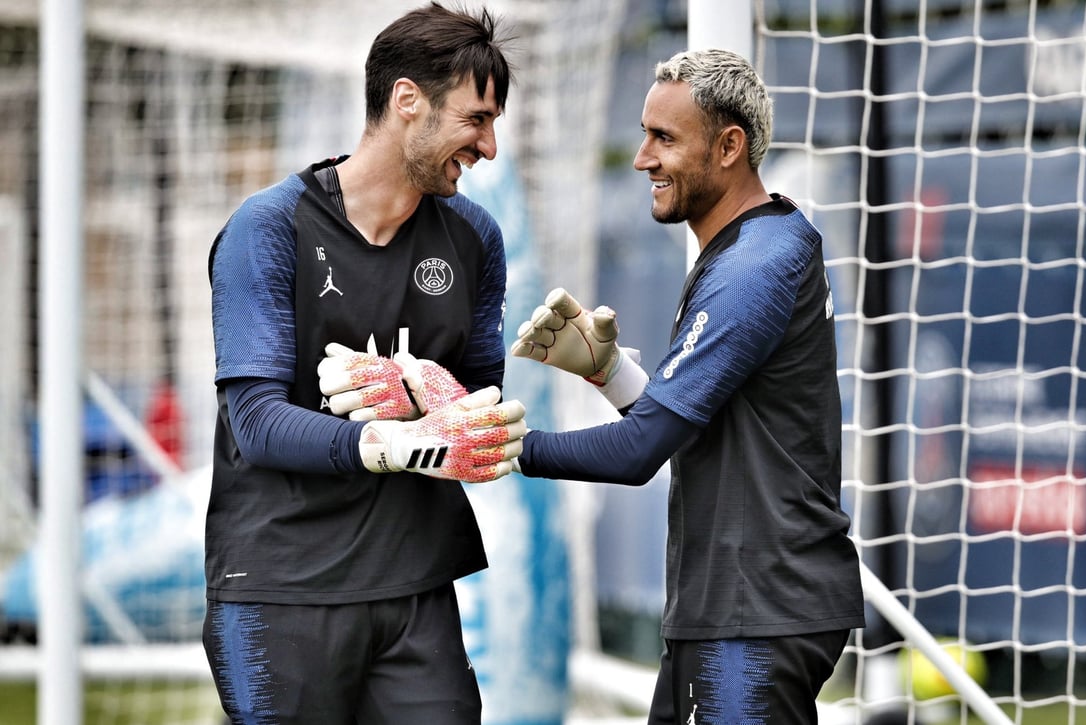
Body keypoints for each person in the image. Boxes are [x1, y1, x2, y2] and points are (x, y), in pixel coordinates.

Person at [509, 49, 865, 725]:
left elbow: (639, 451)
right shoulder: (749, 250)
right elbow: (690, 433)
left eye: (664, 138)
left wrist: (501, 444)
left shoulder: (753, 267)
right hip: (731, 610)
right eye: (644, 133)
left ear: (730, 146)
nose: (642, 158)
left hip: (753, 612)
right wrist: (608, 371)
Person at [204, 4, 525, 723]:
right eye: (476, 119)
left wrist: (438, 399)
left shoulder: (476, 237)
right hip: (281, 588)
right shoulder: (268, 227)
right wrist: (390, 443)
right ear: (408, 101)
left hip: (415, 589)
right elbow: (254, 422)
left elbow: (480, 399)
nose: (490, 146)